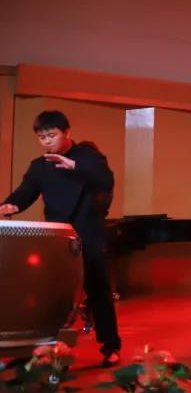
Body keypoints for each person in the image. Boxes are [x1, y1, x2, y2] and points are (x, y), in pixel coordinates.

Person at [1, 111, 122, 366]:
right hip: (58, 234)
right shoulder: (39, 166)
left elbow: (105, 180)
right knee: (50, 292)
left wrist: (73, 166)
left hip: (88, 231)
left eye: (51, 135)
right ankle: (41, 350)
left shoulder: (87, 156)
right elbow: (25, 192)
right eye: (41, 137)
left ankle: (110, 346)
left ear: (66, 132)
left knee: (98, 289)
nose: (46, 141)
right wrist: (10, 205)